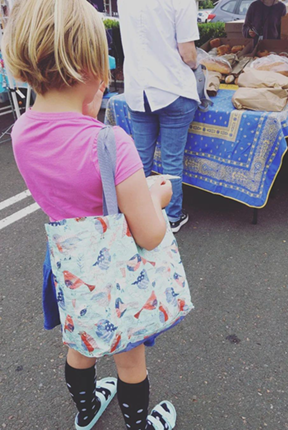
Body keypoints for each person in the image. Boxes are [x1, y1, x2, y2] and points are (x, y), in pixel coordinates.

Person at [2, 0, 181, 429]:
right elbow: (151, 234)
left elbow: (65, 176)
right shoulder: (112, 143)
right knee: (129, 358)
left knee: (79, 344)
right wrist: (158, 194)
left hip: (66, 266)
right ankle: (138, 423)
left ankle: (86, 411)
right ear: (90, 65)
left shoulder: (22, 132)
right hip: (114, 271)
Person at [118, 0, 200, 234]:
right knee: (171, 161)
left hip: (138, 90)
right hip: (172, 87)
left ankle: (137, 216)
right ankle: (172, 217)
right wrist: (196, 66)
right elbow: (188, 53)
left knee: (139, 161)